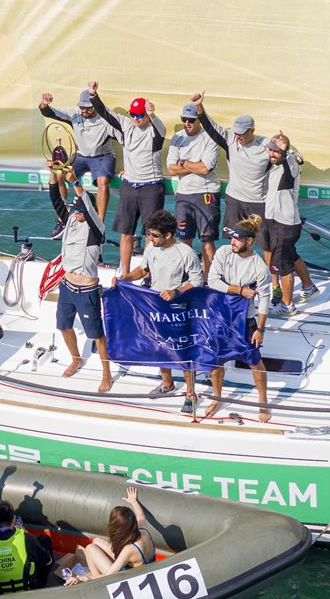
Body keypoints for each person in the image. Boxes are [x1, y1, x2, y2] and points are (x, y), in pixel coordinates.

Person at [114, 210, 203, 413]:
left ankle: (191, 394)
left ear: (168, 235)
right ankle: (167, 384)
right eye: (149, 234)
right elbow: (143, 270)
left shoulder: (186, 252)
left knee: (182, 351)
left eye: (154, 235)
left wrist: (175, 291)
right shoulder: (151, 248)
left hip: (178, 307)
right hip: (155, 305)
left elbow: (197, 281)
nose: (150, 238)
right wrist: (125, 278)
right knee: (160, 346)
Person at [88, 81, 166, 276]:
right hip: (130, 186)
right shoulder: (127, 125)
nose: (136, 118)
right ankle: (124, 271)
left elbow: (158, 127)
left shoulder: (155, 130)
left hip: (151, 187)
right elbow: (105, 113)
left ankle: (147, 271)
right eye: (133, 114)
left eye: (140, 115)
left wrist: (151, 114)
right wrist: (93, 94)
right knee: (126, 232)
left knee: (152, 233)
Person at [49, 163, 113, 392]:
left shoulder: (96, 228)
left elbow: (84, 200)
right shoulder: (70, 223)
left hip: (86, 290)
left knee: (96, 334)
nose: (77, 214)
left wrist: (74, 180)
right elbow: (56, 199)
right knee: (63, 326)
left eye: (81, 211)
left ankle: (107, 374)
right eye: (75, 211)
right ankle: (76, 358)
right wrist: (53, 174)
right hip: (67, 286)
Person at [206, 215, 271, 422]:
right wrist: (240, 290)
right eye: (232, 237)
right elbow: (212, 281)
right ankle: (217, 398)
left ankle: (263, 401)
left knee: (254, 362)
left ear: (250, 241)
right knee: (216, 361)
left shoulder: (258, 267)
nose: (232, 242)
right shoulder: (224, 252)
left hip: (245, 321)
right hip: (219, 317)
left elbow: (264, 300)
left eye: (238, 239)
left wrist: (260, 329)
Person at [191, 92, 271, 254]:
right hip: (235, 200)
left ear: (252, 130)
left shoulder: (266, 145)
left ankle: (273, 280)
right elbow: (209, 126)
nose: (238, 136)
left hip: (258, 201)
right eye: (236, 132)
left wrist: (296, 158)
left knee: (265, 244)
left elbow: (286, 154)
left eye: (242, 133)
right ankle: (237, 272)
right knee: (234, 241)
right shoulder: (230, 139)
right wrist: (199, 106)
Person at [40, 89, 118, 223]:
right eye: (82, 107)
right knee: (59, 174)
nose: (84, 111)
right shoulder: (74, 113)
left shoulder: (105, 117)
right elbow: (49, 112)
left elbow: (125, 136)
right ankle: (62, 216)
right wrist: (44, 104)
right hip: (81, 156)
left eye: (87, 108)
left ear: (95, 105)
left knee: (103, 182)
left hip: (102, 156)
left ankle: (99, 222)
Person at [264, 132, 319, 315]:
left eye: (276, 151)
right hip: (276, 221)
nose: (272, 154)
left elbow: (296, 159)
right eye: (270, 150)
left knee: (284, 265)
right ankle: (308, 286)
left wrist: (288, 150)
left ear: (284, 151)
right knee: (291, 256)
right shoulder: (273, 165)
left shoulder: (290, 164)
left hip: (284, 224)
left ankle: (287, 306)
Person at [166, 103, 221, 278]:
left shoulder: (209, 137)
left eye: (191, 120)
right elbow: (171, 169)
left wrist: (183, 162)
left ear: (199, 120)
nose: (187, 123)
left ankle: (209, 278)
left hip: (206, 193)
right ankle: (188, 276)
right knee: (184, 239)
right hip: (184, 194)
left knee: (207, 240)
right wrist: (194, 165)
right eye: (184, 119)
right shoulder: (177, 138)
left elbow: (205, 169)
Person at [64, 486, 154, 585]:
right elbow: (140, 515)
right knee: (96, 541)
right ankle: (93, 576)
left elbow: (109, 575)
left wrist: (84, 578)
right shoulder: (143, 530)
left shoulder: (129, 550)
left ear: (118, 529)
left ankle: (95, 585)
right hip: (142, 569)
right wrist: (133, 501)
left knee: (90, 548)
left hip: (129, 579)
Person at [0, 499, 53, 594]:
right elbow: (48, 561)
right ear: (13, 519)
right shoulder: (26, 538)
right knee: (44, 539)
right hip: (30, 589)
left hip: (0, 594)